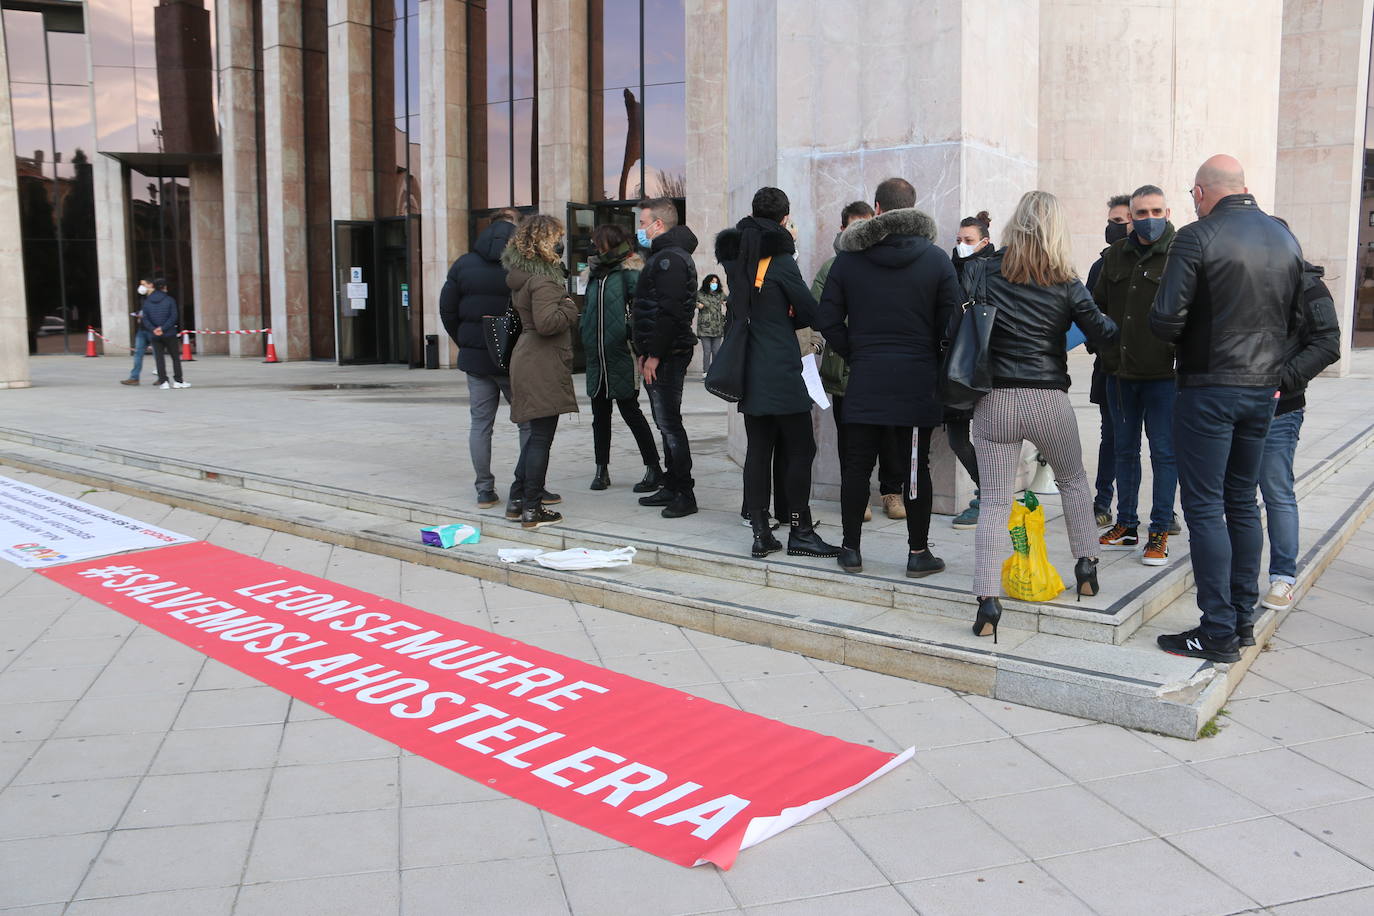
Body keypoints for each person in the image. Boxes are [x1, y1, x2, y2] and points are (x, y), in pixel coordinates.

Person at [1150, 154, 1304, 663]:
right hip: (1262, 389)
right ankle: (1239, 620)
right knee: (1241, 502)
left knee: (1204, 507)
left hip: (1209, 386)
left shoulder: (1197, 236)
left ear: (1199, 193)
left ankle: (1216, 630)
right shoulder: (1284, 237)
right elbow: (1296, 317)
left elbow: (1166, 317)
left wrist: (1179, 339)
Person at [967, 191, 1118, 642]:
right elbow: (1103, 332)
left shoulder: (985, 270)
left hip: (993, 398)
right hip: (1047, 396)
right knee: (1073, 481)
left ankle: (987, 600)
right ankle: (1086, 565)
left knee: (995, 499)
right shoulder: (1066, 280)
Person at [816, 177, 960, 578]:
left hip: (865, 378)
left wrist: (856, 351)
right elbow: (953, 321)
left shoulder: (849, 260)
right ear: (914, 208)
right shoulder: (935, 259)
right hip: (917, 382)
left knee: (857, 466)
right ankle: (917, 552)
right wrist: (929, 353)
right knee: (916, 468)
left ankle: (850, 550)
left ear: (877, 210)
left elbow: (826, 317)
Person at [716, 187, 839, 560]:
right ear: (785, 218)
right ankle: (800, 529)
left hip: (749, 369)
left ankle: (760, 532)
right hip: (781, 368)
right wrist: (790, 311)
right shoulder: (780, 260)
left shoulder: (735, 257)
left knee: (759, 450)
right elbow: (809, 311)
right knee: (802, 448)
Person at [438, 209, 545, 511]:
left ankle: (484, 490)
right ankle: (525, 486)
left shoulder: (463, 264)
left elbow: (447, 310)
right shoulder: (523, 263)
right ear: (514, 230)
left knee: (481, 425)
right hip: (514, 358)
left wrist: (467, 342)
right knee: (528, 425)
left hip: (476, 361)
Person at [1094, 185, 1179, 567]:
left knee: (1163, 454)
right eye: (1141, 213)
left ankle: (1159, 530)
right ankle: (1126, 524)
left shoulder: (1182, 253)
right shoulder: (1115, 257)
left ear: (1167, 211)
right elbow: (1094, 309)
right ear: (1131, 217)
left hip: (1164, 377)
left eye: (1156, 211)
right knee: (1125, 451)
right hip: (1120, 375)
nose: (1149, 219)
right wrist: (1104, 348)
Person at [1258, 260, 1341, 612]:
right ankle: (1237, 569)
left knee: (1276, 490)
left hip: (1280, 407)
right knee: (1235, 492)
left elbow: (1327, 343)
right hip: (1233, 405)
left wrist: (1283, 379)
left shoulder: (1308, 285)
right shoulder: (1241, 276)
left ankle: (1282, 577)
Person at [815, 201, 896, 525]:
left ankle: (892, 492)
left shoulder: (887, 263)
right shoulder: (833, 266)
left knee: (890, 435)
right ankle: (857, 496)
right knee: (850, 440)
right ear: (843, 229)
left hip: (885, 371)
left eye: (866, 224)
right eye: (854, 226)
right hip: (845, 369)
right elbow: (821, 311)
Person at [501, 215, 579, 529]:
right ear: (546, 241)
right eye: (558, 237)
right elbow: (547, 323)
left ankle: (518, 500)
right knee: (541, 439)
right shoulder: (544, 279)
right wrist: (571, 307)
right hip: (542, 360)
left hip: (528, 356)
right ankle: (532, 508)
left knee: (535, 436)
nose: (562, 243)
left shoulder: (521, 275)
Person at [580, 223, 664, 493]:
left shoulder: (629, 271)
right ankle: (601, 469)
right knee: (599, 416)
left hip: (620, 354)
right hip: (597, 356)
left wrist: (630, 336)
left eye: (598, 241)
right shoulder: (595, 273)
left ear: (609, 242)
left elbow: (641, 311)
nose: (595, 245)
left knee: (631, 413)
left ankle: (653, 467)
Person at [631, 197, 700, 519]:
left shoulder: (670, 259)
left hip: (668, 354)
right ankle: (672, 484)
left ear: (659, 224)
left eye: (643, 223)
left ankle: (684, 492)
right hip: (659, 352)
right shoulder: (662, 257)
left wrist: (654, 356)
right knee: (665, 422)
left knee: (670, 423)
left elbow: (671, 313)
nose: (640, 230)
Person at [947, 212, 996, 529]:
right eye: (959, 241)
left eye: (969, 241)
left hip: (984, 363)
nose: (962, 246)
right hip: (955, 364)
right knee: (957, 438)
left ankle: (988, 498)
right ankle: (990, 494)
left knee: (988, 437)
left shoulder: (993, 270)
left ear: (985, 242)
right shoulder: (952, 269)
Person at [1085, 195, 1132, 527]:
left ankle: (1164, 512)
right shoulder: (1101, 266)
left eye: (1119, 221)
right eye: (1111, 221)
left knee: (1159, 443)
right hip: (1110, 367)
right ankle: (1103, 501)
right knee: (1112, 437)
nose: (1112, 227)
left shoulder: (1167, 261)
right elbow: (1086, 313)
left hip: (1153, 369)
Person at [143, 278, 189, 390]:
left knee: (159, 359)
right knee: (175, 358)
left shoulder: (147, 301)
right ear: (164, 287)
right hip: (169, 333)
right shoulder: (169, 300)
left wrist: (154, 329)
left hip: (154, 335)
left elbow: (145, 319)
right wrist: (163, 328)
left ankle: (163, 381)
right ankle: (178, 381)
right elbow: (173, 316)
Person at [120, 278, 154, 386]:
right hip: (142, 330)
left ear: (150, 285)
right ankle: (134, 377)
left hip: (152, 330)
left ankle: (162, 377)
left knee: (157, 354)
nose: (141, 287)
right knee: (138, 353)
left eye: (143, 284)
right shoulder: (143, 298)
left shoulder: (156, 298)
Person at [695, 274, 726, 376]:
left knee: (716, 351)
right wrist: (697, 304)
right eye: (712, 282)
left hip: (717, 327)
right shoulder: (700, 294)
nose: (714, 284)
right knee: (707, 351)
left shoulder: (720, 294)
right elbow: (692, 300)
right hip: (705, 327)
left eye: (716, 282)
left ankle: (715, 372)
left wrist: (726, 302)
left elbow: (728, 300)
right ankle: (706, 372)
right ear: (707, 282)